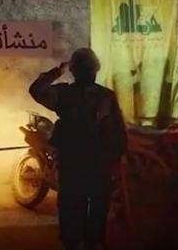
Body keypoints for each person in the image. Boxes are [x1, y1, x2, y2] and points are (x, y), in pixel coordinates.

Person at [29, 48, 127, 250]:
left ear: (73, 71)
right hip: (93, 161)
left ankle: (78, 241)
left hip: (77, 160)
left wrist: (57, 71)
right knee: (94, 205)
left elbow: (37, 89)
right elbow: (118, 131)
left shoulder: (65, 94)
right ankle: (90, 241)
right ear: (95, 70)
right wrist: (116, 159)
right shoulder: (103, 96)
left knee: (75, 205)